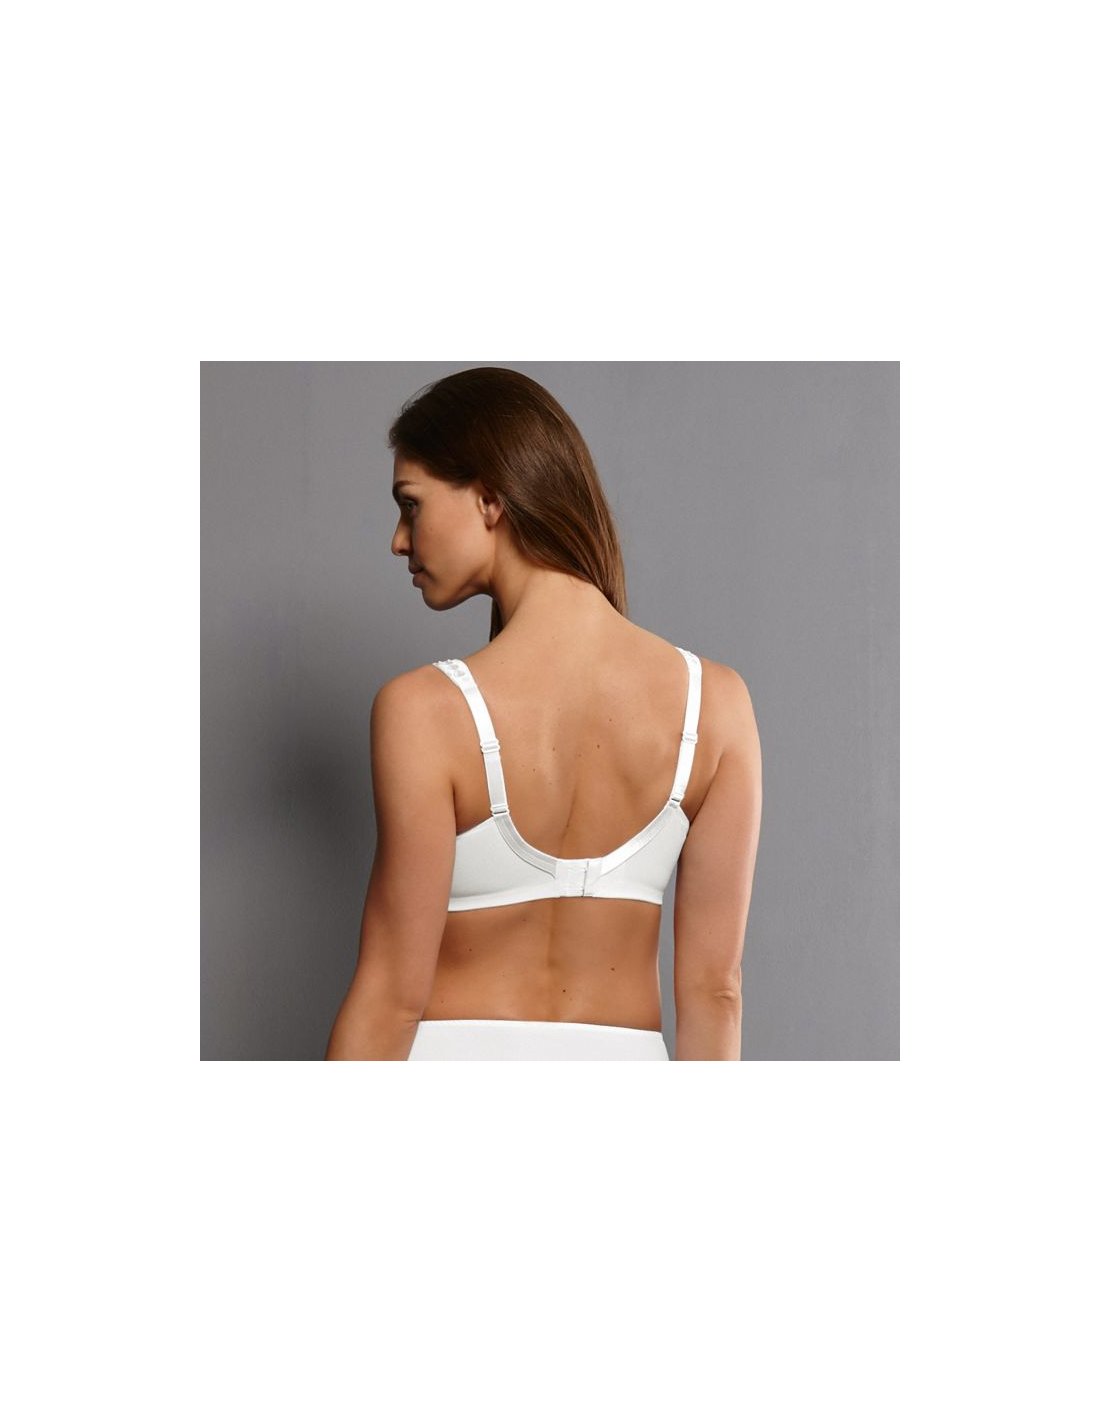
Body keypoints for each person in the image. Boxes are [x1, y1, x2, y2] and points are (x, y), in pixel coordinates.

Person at [325, 367, 762, 1060]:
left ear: (490, 499)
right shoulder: (718, 705)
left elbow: (389, 998)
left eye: (411, 504)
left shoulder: (424, 712)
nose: (399, 540)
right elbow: (716, 994)